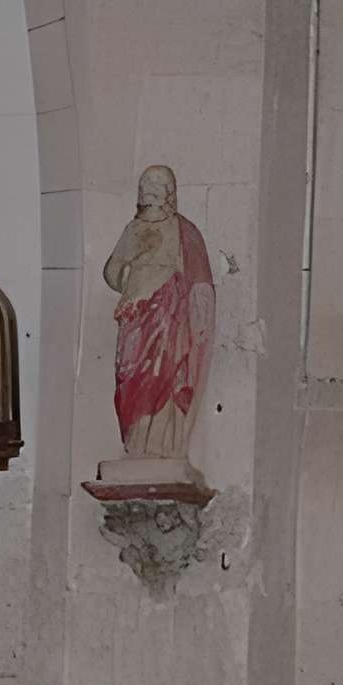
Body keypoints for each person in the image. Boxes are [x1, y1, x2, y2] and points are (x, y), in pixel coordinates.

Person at [103, 165, 215, 467]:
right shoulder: (133, 229)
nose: (153, 187)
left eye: (160, 182)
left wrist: (197, 307)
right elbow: (112, 271)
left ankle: (162, 443)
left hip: (168, 314)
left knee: (164, 370)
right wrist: (131, 274)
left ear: (170, 191)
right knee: (131, 375)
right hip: (136, 314)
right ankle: (136, 441)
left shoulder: (183, 230)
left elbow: (199, 279)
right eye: (148, 182)